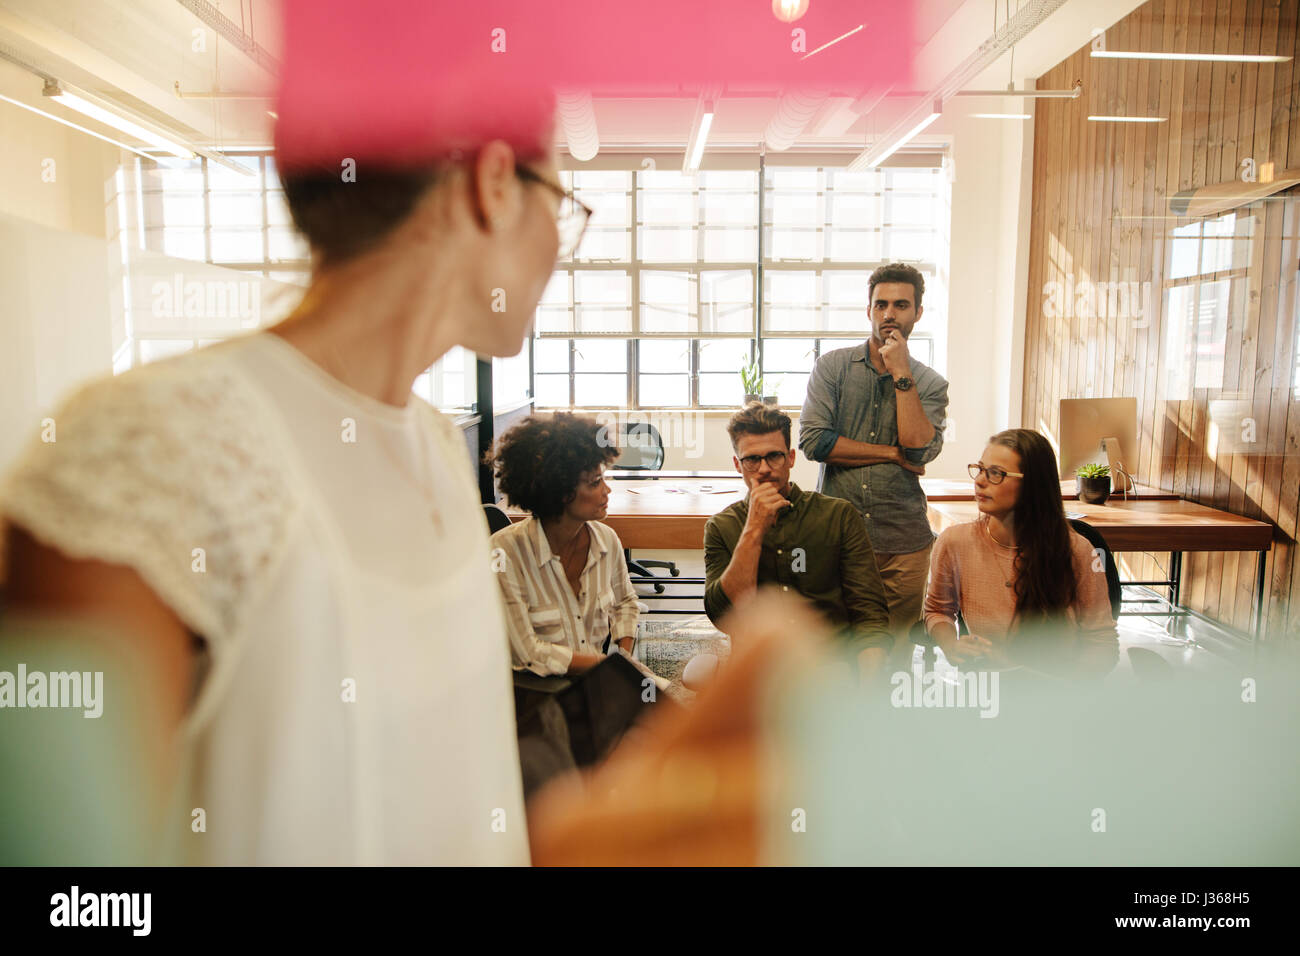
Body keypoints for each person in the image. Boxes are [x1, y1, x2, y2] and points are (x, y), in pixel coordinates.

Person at [0, 89, 572, 863]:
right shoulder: (151, 444)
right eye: (564, 200)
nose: (562, 245)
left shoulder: (435, 446)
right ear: (496, 181)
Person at [798, 262, 949, 662]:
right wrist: (889, 453)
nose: (889, 314)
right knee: (835, 654)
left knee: (893, 659)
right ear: (868, 310)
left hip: (903, 542)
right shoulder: (832, 367)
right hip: (839, 539)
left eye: (901, 305)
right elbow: (815, 441)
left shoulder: (930, 383)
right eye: (880, 304)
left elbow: (918, 449)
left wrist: (901, 371)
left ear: (917, 312)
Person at [704, 402, 892, 670]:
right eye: (752, 459)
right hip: (757, 673)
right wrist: (754, 529)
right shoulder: (721, 527)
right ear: (738, 464)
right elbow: (723, 616)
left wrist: (866, 689)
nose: (765, 468)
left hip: (831, 665)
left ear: (791, 458)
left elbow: (870, 615)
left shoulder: (838, 516)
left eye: (774, 456)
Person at [923, 429, 1119, 677]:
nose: (980, 480)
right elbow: (938, 611)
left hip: (1056, 690)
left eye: (996, 473)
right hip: (991, 690)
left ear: (1032, 484)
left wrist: (1064, 686)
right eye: (980, 469)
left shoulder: (1077, 550)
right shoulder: (955, 542)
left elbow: (1102, 644)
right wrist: (951, 646)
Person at [488, 412, 639, 675]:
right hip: (538, 696)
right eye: (594, 483)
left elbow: (625, 602)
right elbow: (526, 653)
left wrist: (624, 657)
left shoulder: (606, 540)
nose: (607, 490)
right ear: (559, 491)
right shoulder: (504, 553)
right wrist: (606, 667)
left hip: (597, 687)